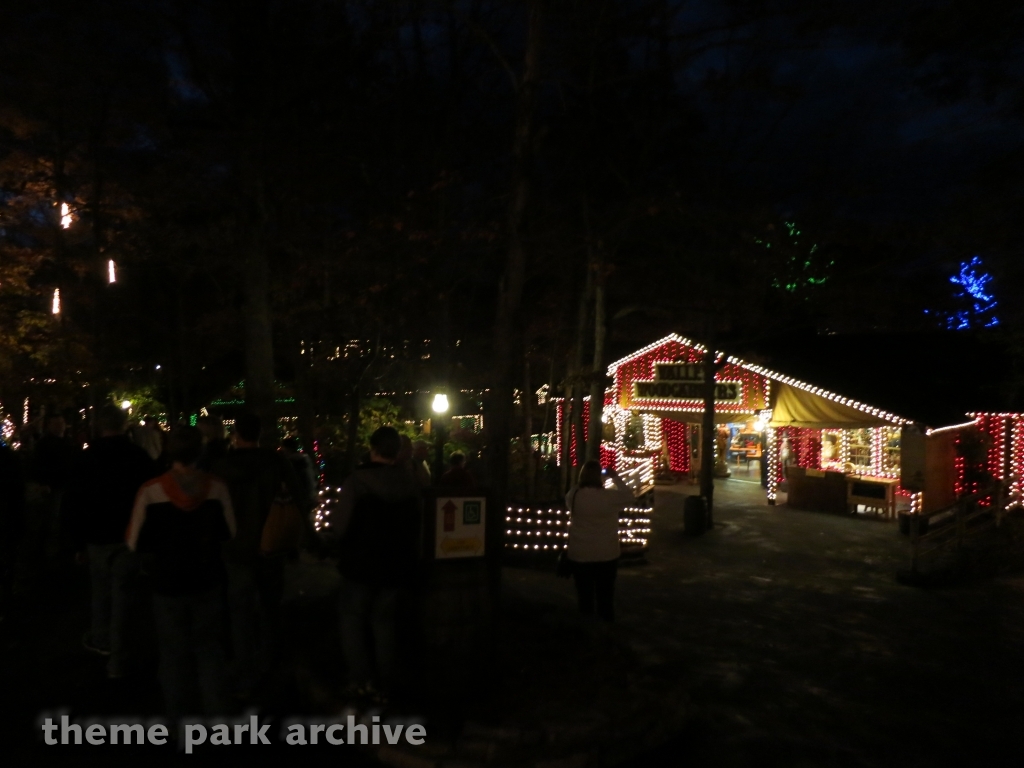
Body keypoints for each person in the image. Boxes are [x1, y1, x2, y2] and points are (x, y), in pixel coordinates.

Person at [127, 426, 235, 718]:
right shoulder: (216, 487)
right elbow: (229, 533)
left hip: (167, 582)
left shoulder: (150, 491)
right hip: (207, 578)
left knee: (173, 654)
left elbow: (134, 540)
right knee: (209, 651)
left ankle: (179, 722)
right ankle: (217, 720)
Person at [211, 412, 308, 698]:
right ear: (260, 433)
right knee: (270, 605)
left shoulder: (222, 466)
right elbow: (298, 496)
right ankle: (270, 662)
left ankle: (244, 667)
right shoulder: (276, 461)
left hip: (234, 545)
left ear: (236, 434)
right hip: (271, 540)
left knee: (239, 609)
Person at [325, 426, 421, 706]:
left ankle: (360, 680)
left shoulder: (358, 481)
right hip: (395, 565)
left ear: (373, 448)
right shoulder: (409, 483)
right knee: (385, 624)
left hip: (360, 564)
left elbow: (341, 527)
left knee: (352, 620)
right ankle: (384, 684)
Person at [64, 404, 158, 674]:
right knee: (123, 595)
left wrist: (77, 542)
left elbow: (73, 503)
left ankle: (101, 637)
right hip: (128, 536)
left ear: (98, 426)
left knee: (100, 591)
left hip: (96, 536)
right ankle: (118, 653)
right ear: (124, 423)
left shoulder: (86, 459)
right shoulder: (138, 457)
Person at [565, 461, 634, 623]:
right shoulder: (609, 497)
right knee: (605, 596)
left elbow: (571, 500)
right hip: (606, 553)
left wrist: (583, 479)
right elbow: (630, 496)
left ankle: (587, 630)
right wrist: (615, 477)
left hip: (580, 553)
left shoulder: (574, 496)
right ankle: (606, 630)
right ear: (600, 477)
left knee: (584, 596)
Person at [280, 436, 317, 501]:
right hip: (307, 496)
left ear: (288, 448)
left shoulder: (293, 462)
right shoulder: (304, 460)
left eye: (283, 447)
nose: (282, 450)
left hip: (297, 498)